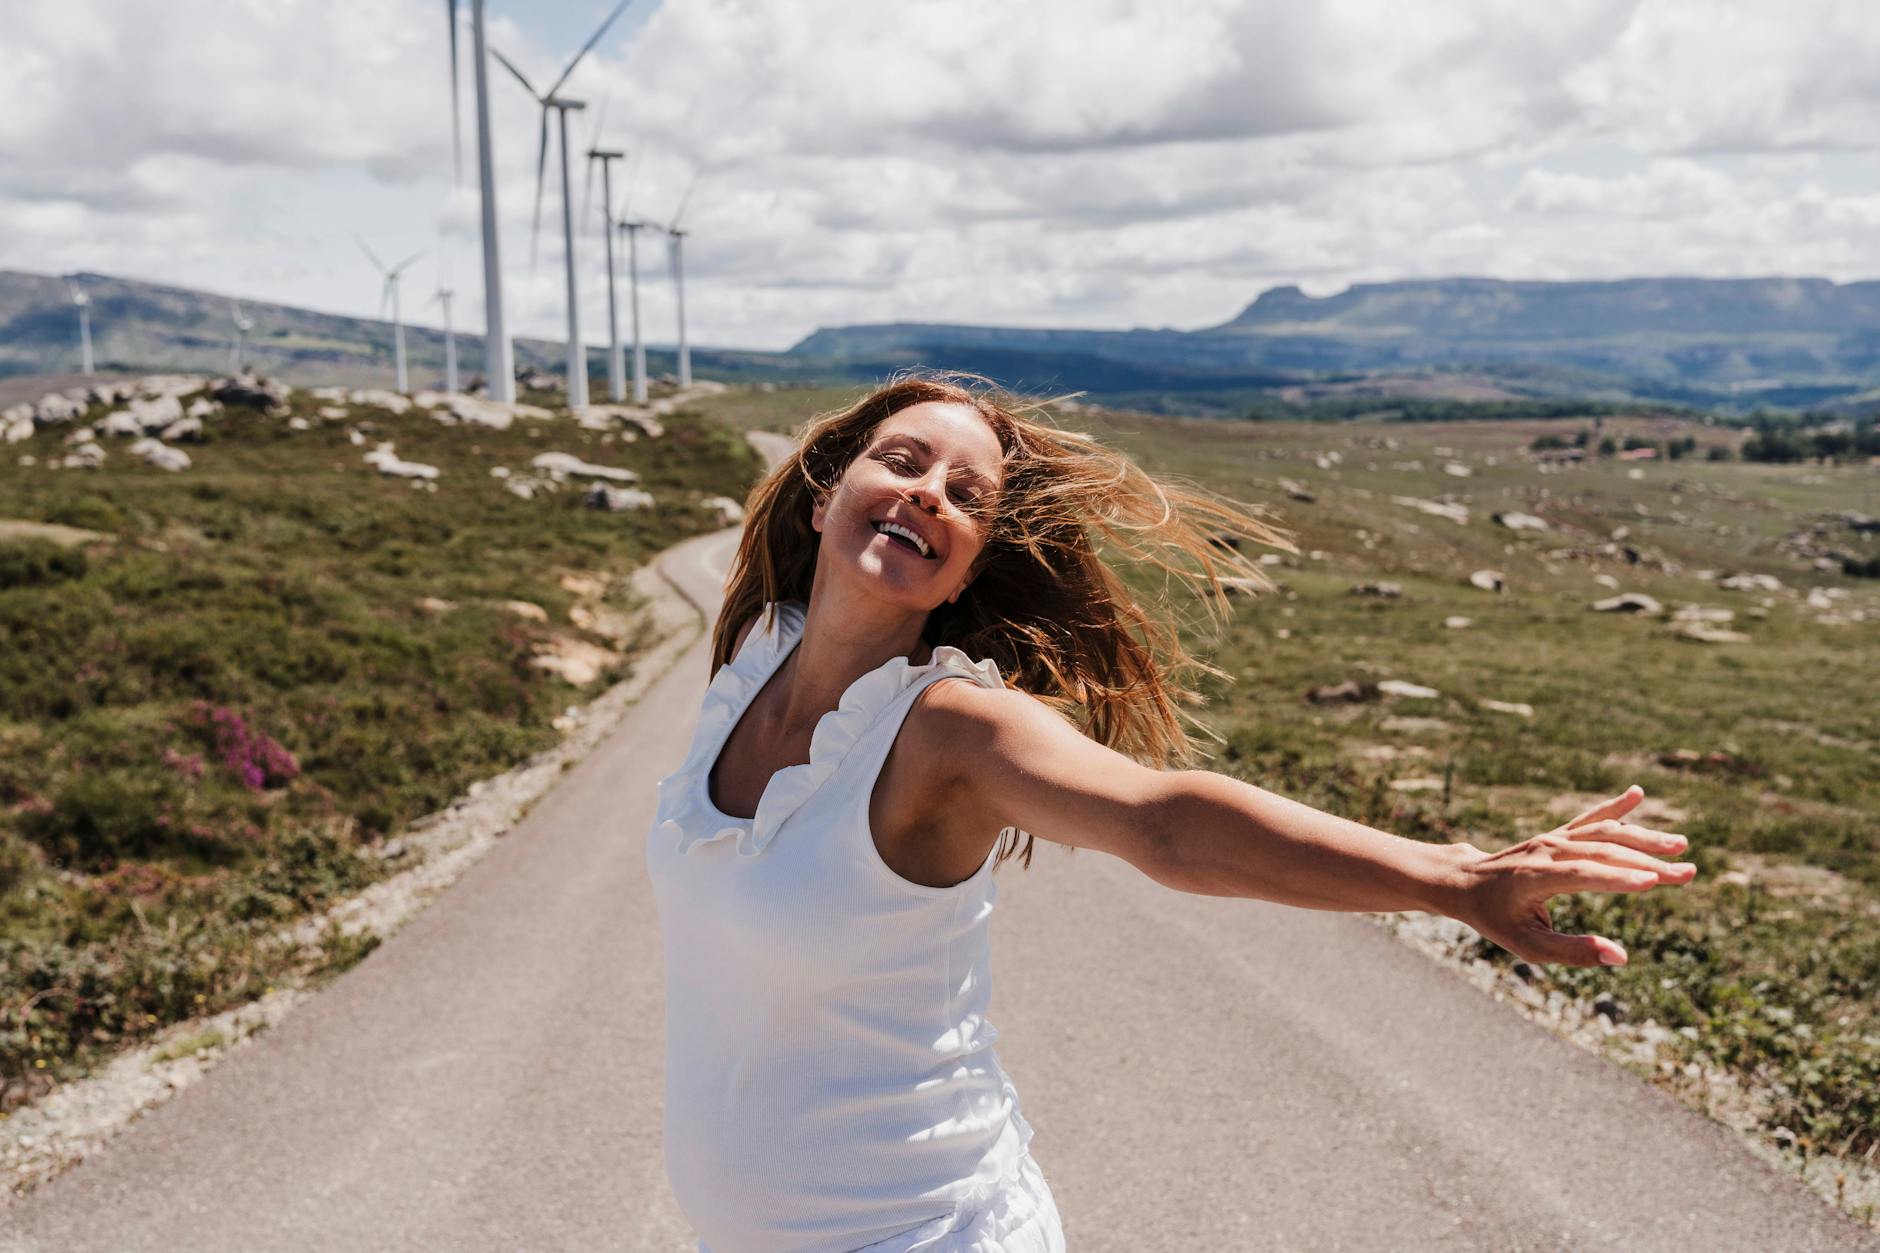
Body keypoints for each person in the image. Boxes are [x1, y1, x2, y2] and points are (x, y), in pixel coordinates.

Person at [643, 373, 1696, 1252]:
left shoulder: (950, 730)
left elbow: (1163, 819)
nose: (929, 496)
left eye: (966, 495)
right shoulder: (751, 659)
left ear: (968, 565)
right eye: (905, 461)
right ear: (826, 497)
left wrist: (1451, 879)